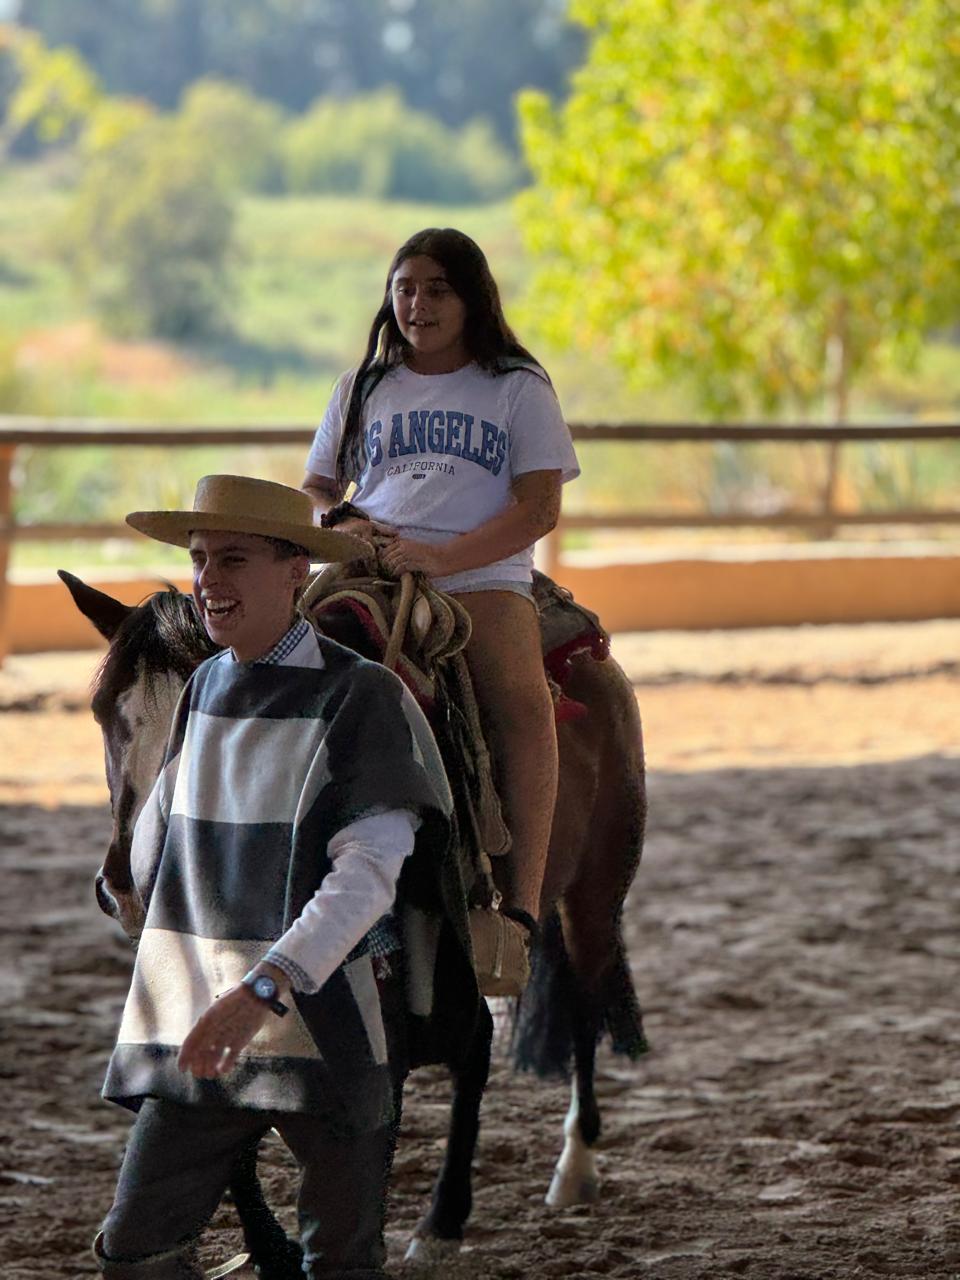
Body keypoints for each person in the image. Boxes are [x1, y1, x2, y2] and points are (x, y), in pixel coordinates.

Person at [94, 474, 474, 1280]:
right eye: (199, 560)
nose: (207, 580)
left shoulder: (362, 695)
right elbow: (163, 841)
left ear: (296, 568)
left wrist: (264, 987)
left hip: (328, 1022)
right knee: (135, 1253)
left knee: (337, 1262)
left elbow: (367, 876)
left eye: (233, 559)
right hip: (203, 1014)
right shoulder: (200, 687)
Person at [301, 227, 579, 978]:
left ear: (471, 297)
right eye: (405, 288)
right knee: (278, 668)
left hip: (478, 575)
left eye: (435, 289)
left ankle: (517, 909)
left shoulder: (517, 386)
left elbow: (539, 508)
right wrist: (339, 522)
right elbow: (319, 487)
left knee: (522, 706)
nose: (416, 304)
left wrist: (444, 556)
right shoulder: (364, 386)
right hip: (369, 564)